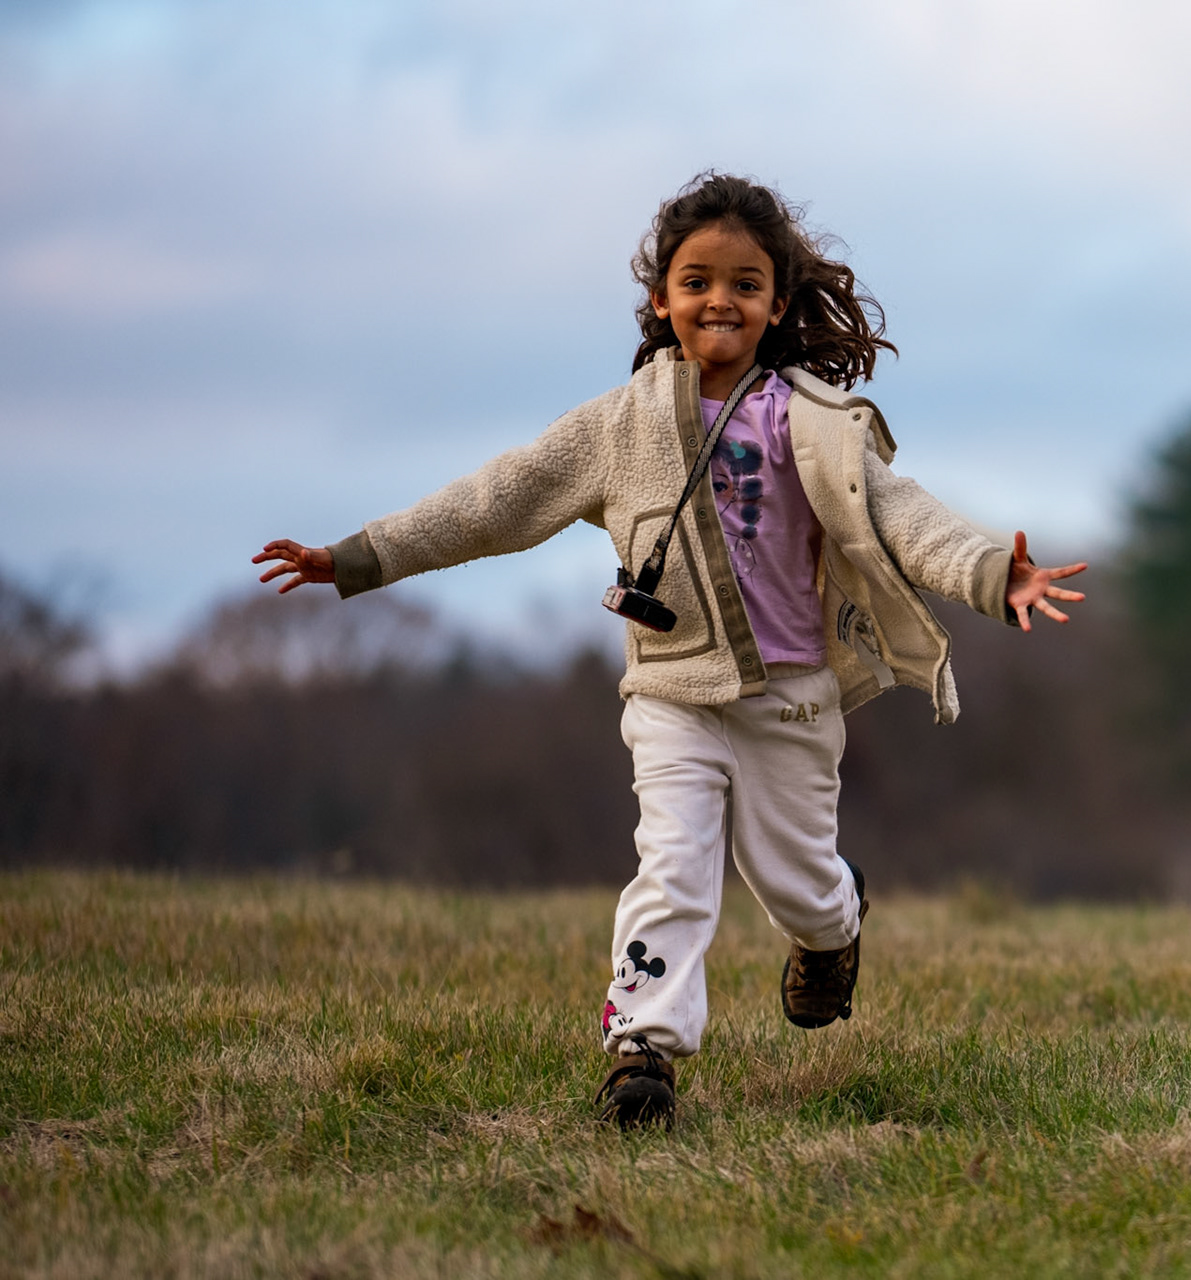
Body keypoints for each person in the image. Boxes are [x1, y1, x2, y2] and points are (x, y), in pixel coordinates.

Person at [252, 172, 1087, 1129]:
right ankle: (641, 1051)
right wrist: (360, 556)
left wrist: (993, 574)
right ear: (661, 300)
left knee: (797, 886)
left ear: (777, 303)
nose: (718, 299)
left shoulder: (809, 422)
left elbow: (904, 518)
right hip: (671, 697)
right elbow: (498, 500)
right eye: (695, 280)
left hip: (792, 703)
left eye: (743, 281)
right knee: (675, 867)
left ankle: (835, 924)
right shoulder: (619, 426)